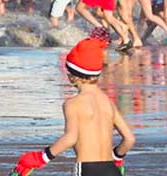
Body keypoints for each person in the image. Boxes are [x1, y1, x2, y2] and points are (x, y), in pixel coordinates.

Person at [11, 30, 136, 176]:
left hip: (87, 169)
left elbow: (71, 137)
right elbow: (129, 139)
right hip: (111, 169)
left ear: (72, 76)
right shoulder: (108, 103)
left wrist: (41, 157)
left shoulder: (73, 104)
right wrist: (117, 158)